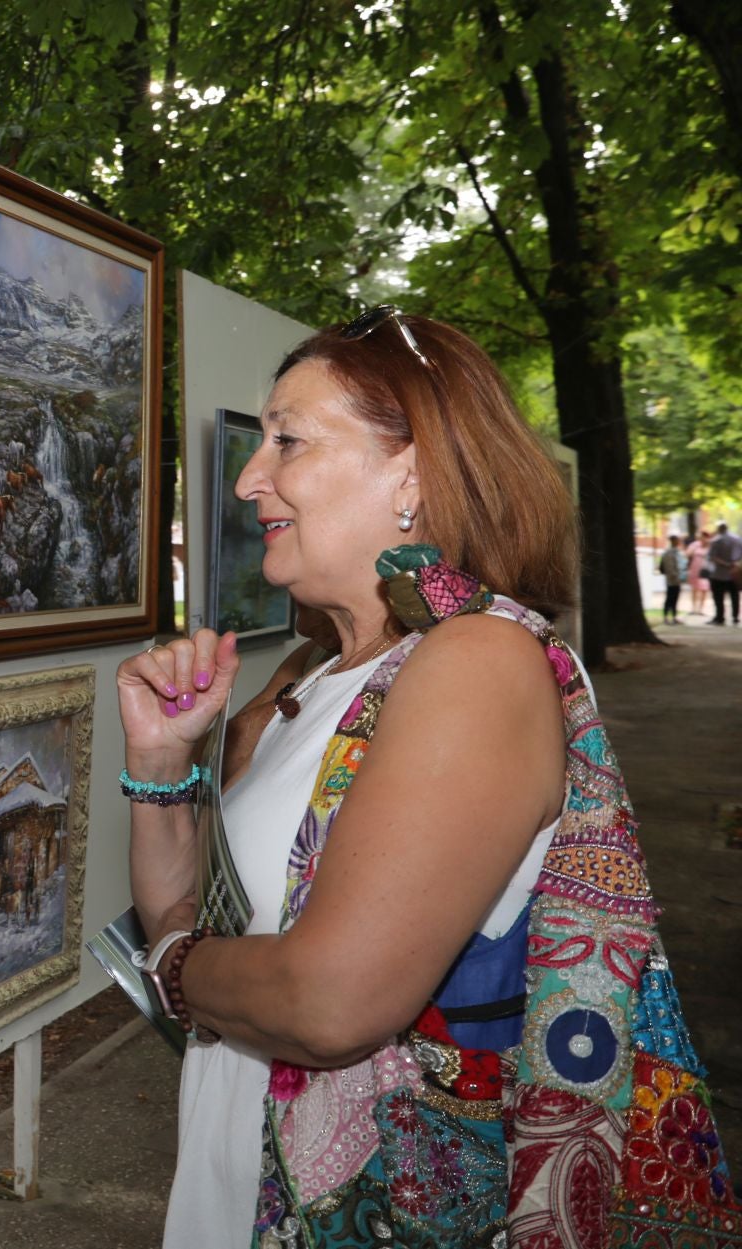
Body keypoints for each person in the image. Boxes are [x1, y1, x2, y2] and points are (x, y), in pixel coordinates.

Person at [118, 308, 735, 1246]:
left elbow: (327, 1003)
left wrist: (174, 970)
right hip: (234, 1164)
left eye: (287, 440)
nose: (250, 479)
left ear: (411, 470)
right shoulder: (309, 673)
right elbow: (195, 919)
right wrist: (162, 765)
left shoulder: (474, 663)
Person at [707, 522, 741, 625]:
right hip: (734, 572)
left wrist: (726, 564)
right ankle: (735, 616)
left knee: (718, 597)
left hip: (719, 573)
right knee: (734, 596)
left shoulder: (716, 540)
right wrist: (735, 564)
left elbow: (712, 557)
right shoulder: (737, 539)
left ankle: (720, 617)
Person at [658, 533, 687, 623]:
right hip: (672, 580)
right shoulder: (669, 553)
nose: (679, 542)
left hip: (675, 579)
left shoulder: (676, 552)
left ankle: (673, 617)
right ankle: (666, 617)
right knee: (670, 598)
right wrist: (676, 577)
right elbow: (670, 568)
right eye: (677, 540)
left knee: (674, 599)